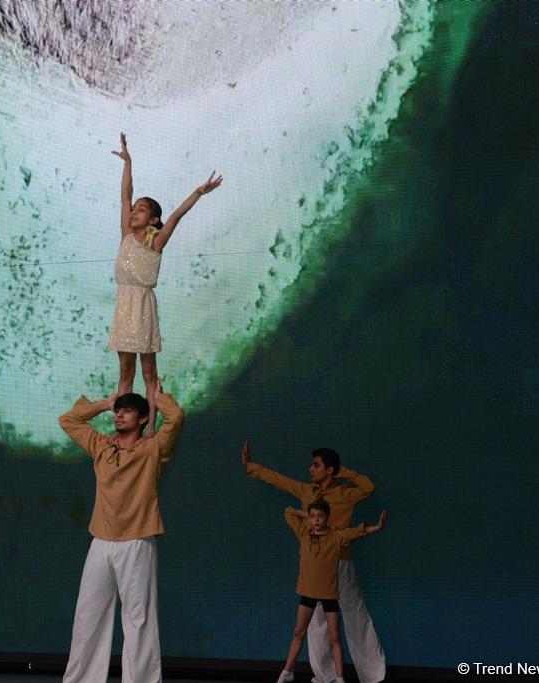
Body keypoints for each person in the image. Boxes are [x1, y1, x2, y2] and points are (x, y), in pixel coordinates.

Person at [59, 380, 184, 683]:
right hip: (101, 541)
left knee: (138, 619)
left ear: (143, 419)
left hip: (137, 543)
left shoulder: (153, 450)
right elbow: (68, 420)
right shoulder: (101, 446)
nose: (119, 415)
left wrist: (158, 397)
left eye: (127, 411)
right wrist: (105, 403)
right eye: (118, 411)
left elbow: (176, 418)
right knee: (88, 615)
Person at [242, 442, 385, 683]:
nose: (310, 469)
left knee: (354, 614)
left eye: (316, 465)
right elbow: (279, 480)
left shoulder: (345, 493)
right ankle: (326, 676)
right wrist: (251, 467)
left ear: (329, 470)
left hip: (341, 562)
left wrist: (344, 473)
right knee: (316, 623)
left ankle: (373, 676)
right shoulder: (307, 491)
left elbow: (368, 487)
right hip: (316, 567)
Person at [109, 132, 221, 435]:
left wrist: (198, 192)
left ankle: (149, 430)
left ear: (153, 219)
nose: (133, 212)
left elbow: (176, 216)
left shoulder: (155, 242)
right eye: (134, 210)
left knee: (148, 373)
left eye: (141, 210)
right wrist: (128, 163)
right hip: (124, 306)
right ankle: (122, 428)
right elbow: (125, 194)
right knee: (124, 371)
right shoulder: (125, 234)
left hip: (143, 307)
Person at [276, 500, 387, 683]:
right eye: (313, 517)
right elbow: (288, 511)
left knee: (334, 636)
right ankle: (287, 672)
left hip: (328, 595)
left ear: (327, 518)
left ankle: (339, 677)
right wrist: (307, 515)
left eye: (320, 516)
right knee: (299, 631)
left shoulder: (335, 537)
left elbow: (357, 532)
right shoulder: (303, 533)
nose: (316, 520)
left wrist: (377, 527)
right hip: (308, 593)